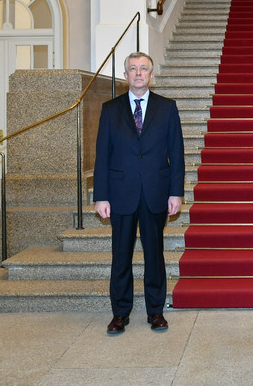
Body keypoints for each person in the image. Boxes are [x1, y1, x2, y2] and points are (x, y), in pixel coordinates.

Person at [93, 52, 185, 335]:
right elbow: (102, 156)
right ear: (125, 76)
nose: (138, 73)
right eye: (132, 68)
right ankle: (120, 313)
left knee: (154, 255)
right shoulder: (110, 110)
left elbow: (177, 154)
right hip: (121, 194)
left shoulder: (167, 108)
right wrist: (101, 196)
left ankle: (155, 312)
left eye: (143, 68)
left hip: (155, 192)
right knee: (121, 256)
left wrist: (176, 192)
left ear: (151, 75)